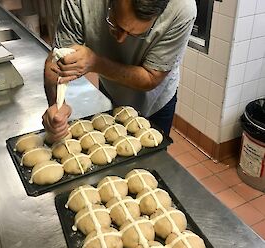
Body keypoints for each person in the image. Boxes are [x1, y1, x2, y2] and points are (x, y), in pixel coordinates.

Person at [42, 0, 197, 142]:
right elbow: (58, 57)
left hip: (155, 101)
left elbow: (151, 77)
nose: (121, 40)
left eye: (137, 34)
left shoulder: (182, 10)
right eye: (114, 22)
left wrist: (96, 63)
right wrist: (56, 104)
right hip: (111, 89)